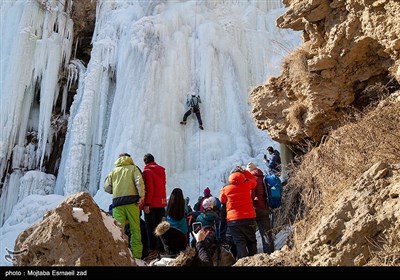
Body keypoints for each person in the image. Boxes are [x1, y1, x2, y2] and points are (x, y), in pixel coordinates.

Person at [103, 153, 145, 259]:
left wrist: (115, 190)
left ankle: (119, 255)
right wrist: (141, 196)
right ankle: (137, 256)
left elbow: (106, 187)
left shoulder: (114, 171)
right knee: (135, 229)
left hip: (117, 204)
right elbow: (139, 182)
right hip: (132, 203)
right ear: (129, 158)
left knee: (118, 230)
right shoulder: (133, 168)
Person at [219, 165, 257, 259]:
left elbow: (222, 200)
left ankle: (243, 262)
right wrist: (245, 171)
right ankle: (255, 261)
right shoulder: (247, 184)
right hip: (249, 218)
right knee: (251, 241)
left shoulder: (225, 188)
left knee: (240, 242)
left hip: (233, 220)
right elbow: (254, 180)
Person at [142, 153, 167, 260]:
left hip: (151, 204)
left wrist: (146, 204)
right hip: (161, 203)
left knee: (150, 228)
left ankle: (152, 250)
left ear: (145, 162)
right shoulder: (161, 170)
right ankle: (161, 248)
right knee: (160, 227)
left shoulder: (147, 171)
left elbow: (150, 189)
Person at [246, 162, 274, 253]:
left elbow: (251, 195)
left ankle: (253, 253)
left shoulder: (252, 179)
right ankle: (269, 252)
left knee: (250, 232)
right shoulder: (263, 177)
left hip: (256, 208)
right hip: (265, 207)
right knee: (266, 233)